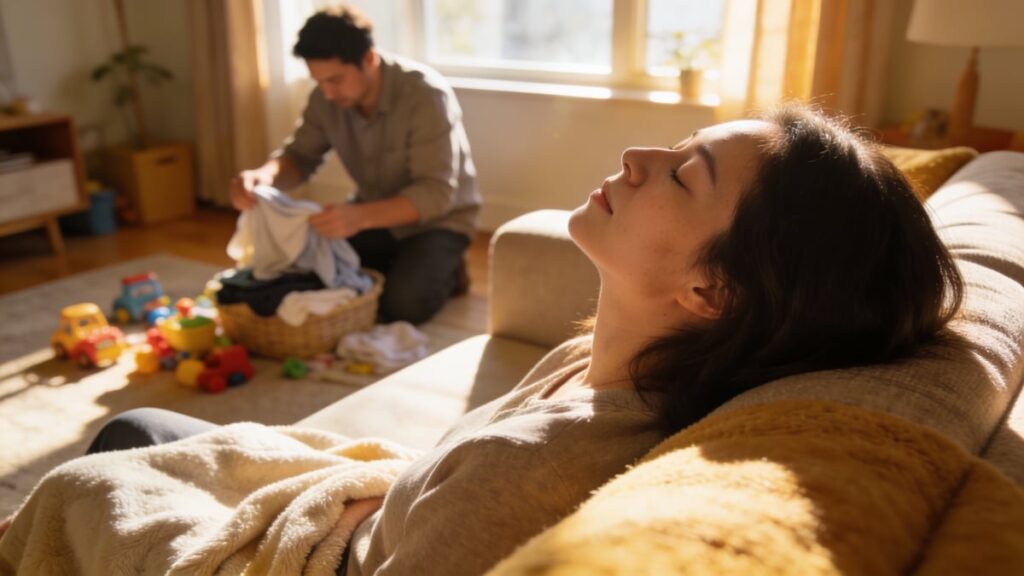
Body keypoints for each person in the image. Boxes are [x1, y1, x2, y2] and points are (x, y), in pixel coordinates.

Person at [0, 105, 964, 575]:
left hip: (334, 549)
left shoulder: (531, 471)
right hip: (358, 509)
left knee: (100, 466)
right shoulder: (602, 364)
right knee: (140, 432)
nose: (640, 155)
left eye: (684, 174)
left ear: (712, 288)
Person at [230, 5, 481, 324]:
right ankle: (393, 263)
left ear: (369, 59)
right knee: (309, 270)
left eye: (336, 80)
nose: (328, 93)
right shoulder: (325, 98)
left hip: (438, 222)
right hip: (372, 216)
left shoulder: (425, 95)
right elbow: (300, 157)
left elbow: (435, 195)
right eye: (319, 81)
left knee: (402, 306)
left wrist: (358, 217)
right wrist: (263, 177)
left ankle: (449, 269)